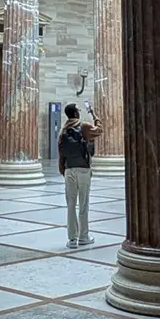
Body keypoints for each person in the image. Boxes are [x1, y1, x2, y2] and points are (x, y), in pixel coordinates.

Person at [59, 104, 99, 246]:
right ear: (76, 113)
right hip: (83, 169)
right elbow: (99, 130)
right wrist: (95, 116)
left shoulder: (63, 129)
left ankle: (71, 239)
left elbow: (61, 154)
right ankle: (83, 237)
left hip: (69, 169)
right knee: (83, 204)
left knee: (70, 205)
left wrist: (63, 171)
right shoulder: (84, 126)